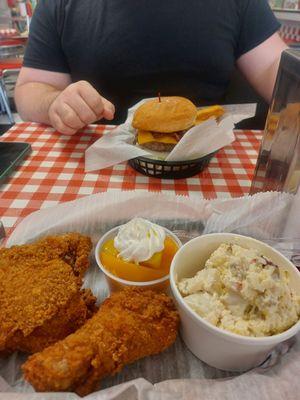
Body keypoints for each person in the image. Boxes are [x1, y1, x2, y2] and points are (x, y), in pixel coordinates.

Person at [15, 0, 287, 135]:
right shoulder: (60, 4)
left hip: (207, 162)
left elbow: (277, 67)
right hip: (97, 169)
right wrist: (54, 103)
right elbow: (29, 89)